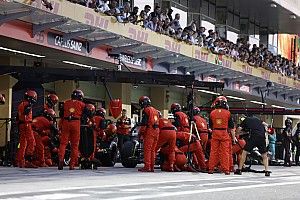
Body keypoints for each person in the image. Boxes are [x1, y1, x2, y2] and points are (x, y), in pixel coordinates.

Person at [58, 89, 86, 170]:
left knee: (63, 143)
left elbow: (61, 114)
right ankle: (72, 164)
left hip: (66, 122)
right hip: (76, 123)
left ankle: (60, 160)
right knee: (74, 144)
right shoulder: (82, 104)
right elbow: (87, 114)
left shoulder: (65, 103)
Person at [208, 96, 235, 175]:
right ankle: (226, 169)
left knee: (213, 151)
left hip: (215, 132)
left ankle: (211, 168)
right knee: (225, 152)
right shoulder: (228, 113)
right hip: (224, 133)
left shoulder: (212, 113)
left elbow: (210, 125)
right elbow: (231, 126)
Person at [16, 90, 38, 168]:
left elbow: (17, 117)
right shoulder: (27, 104)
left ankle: (20, 161)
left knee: (22, 143)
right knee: (32, 142)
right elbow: (26, 112)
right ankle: (28, 160)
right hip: (27, 124)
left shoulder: (20, 104)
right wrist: (30, 105)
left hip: (21, 124)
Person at [138, 96, 159, 172]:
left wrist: (140, 133)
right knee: (153, 150)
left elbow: (144, 123)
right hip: (156, 131)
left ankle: (147, 166)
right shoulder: (155, 111)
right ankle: (152, 166)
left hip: (150, 131)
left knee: (147, 149)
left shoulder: (146, 110)